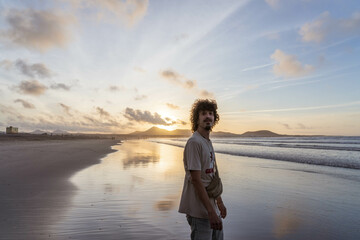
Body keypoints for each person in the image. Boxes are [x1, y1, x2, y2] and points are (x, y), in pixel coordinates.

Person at [179, 99, 227, 240]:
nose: (208, 116)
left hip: (212, 208)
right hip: (200, 211)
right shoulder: (194, 142)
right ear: (197, 118)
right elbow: (196, 180)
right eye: (203, 113)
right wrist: (211, 212)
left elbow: (211, 177)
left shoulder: (206, 142)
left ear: (214, 118)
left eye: (211, 113)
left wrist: (219, 202)